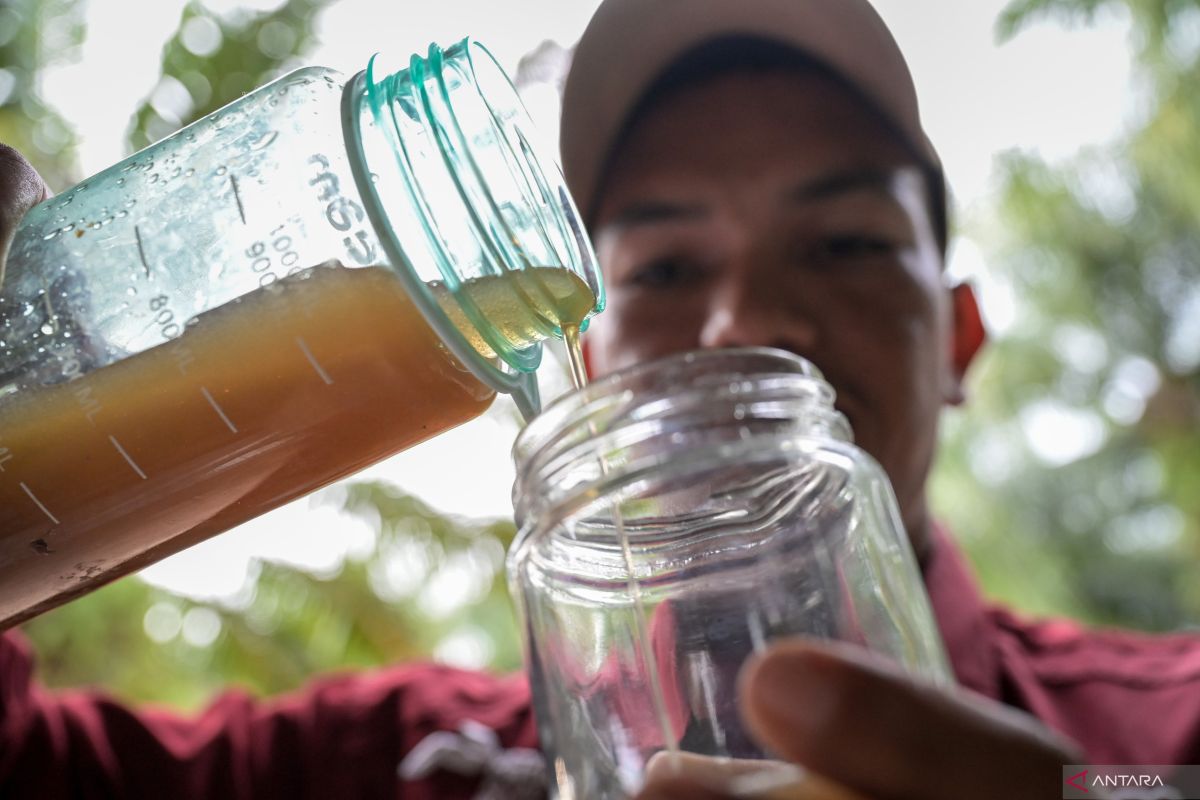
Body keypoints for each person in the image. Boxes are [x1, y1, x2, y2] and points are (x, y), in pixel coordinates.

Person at [1, 0, 1198, 797]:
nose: (745, 328)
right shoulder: (407, 761)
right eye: (666, 268)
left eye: (840, 245)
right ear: (583, 344)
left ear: (962, 337)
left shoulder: (1160, 747)